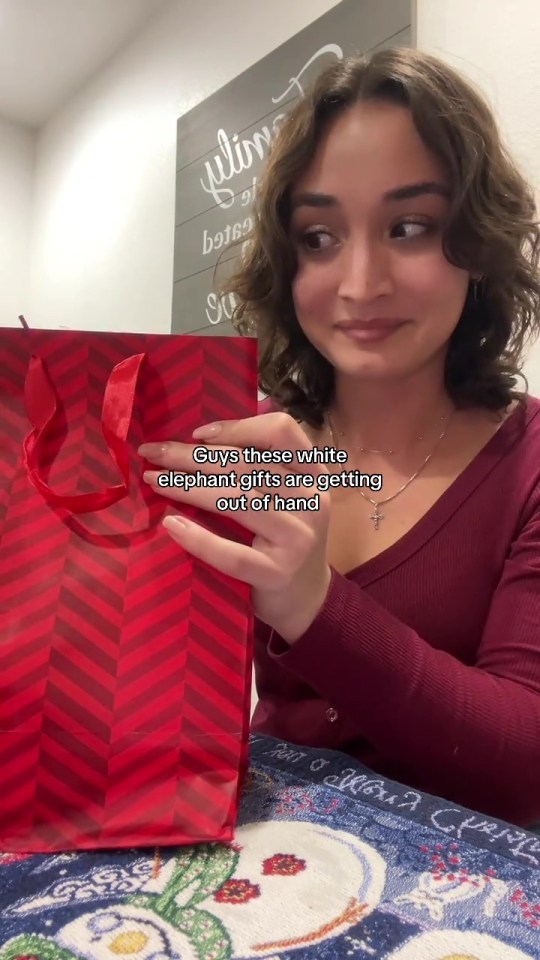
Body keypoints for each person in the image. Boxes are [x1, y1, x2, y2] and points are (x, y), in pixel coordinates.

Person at [139, 47, 540, 829]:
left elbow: (524, 767)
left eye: (411, 226)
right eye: (319, 237)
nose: (360, 282)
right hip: (247, 857)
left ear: (478, 244)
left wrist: (315, 605)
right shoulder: (247, 442)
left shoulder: (526, 463)